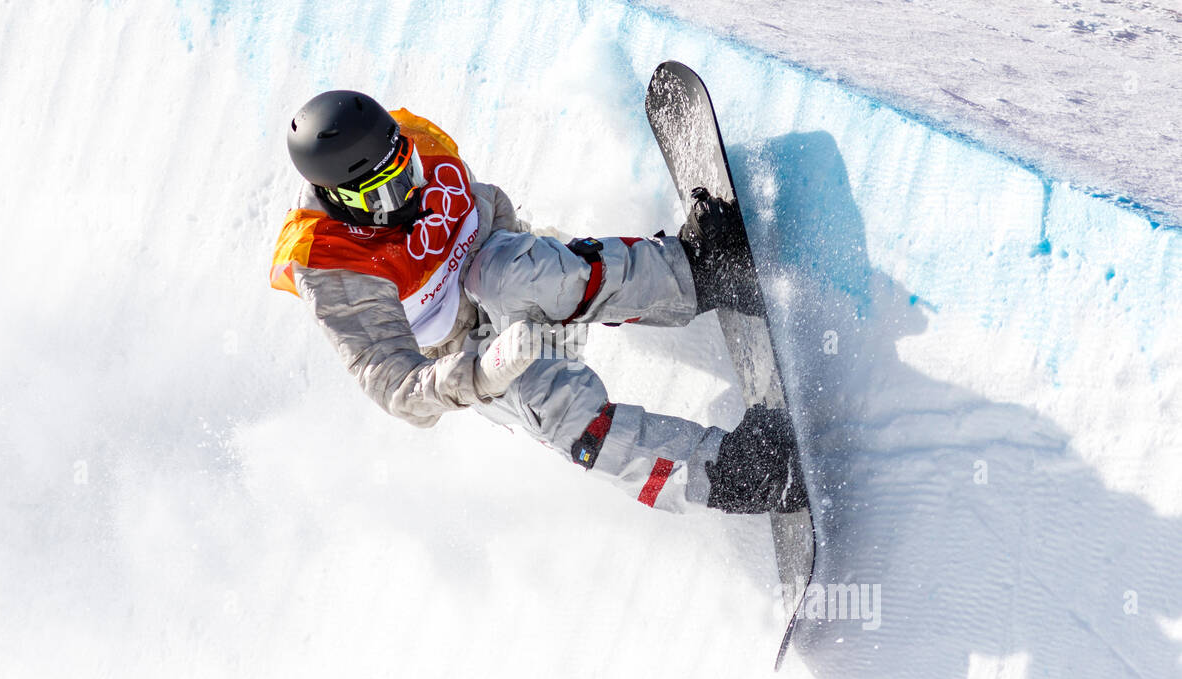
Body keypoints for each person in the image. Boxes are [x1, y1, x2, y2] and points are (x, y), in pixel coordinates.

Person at [271, 90, 803, 514]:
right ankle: (733, 474)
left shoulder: (421, 145)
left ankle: (697, 272)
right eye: (382, 195)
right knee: (561, 417)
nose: (408, 195)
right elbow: (395, 388)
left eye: (406, 173)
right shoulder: (334, 268)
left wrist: (545, 272)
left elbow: (489, 205)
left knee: (517, 272)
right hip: (469, 354)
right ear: (339, 198)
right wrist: (482, 375)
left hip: (506, 283)